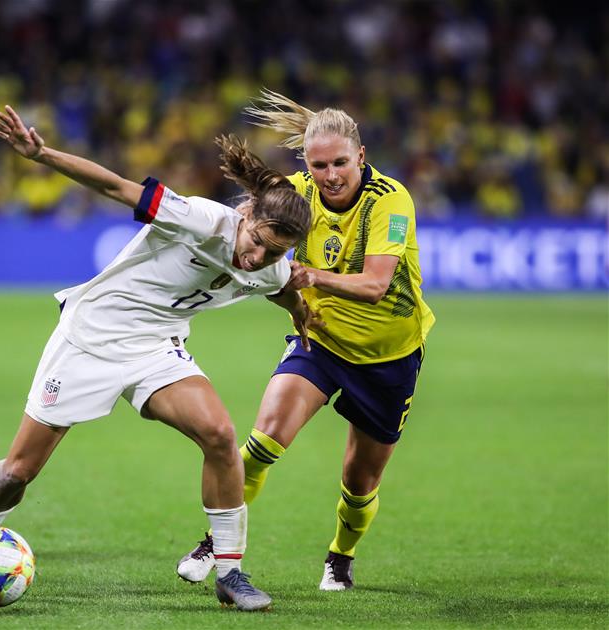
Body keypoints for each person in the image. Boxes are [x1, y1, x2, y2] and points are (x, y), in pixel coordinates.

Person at [0, 104, 315, 611]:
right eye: (258, 243)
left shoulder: (271, 267)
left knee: (221, 436)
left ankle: (230, 574)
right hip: (89, 338)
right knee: (16, 474)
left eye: (274, 253)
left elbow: (282, 291)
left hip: (157, 348)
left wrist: (300, 319)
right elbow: (116, 187)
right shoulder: (200, 219)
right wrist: (41, 153)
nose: (258, 258)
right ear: (247, 216)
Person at [177, 89, 435, 591]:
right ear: (306, 163)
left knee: (360, 484)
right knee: (262, 439)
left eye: (341, 162)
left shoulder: (391, 200)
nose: (331, 175)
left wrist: (311, 276)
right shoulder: (298, 194)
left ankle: (340, 555)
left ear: (361, 156)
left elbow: (377, 285)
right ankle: (218, 540)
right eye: (319, 165)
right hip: (320, 342)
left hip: (390, 356)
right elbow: (248, 223)